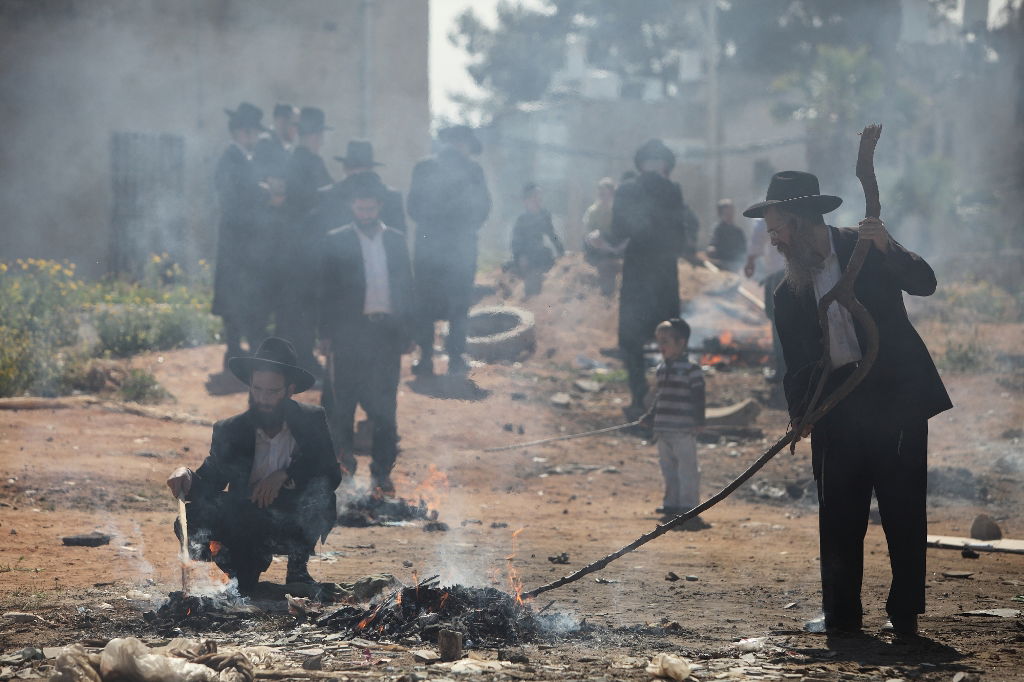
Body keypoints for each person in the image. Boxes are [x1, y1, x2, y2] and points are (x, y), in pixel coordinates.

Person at [743, 170, 952, 637]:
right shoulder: (785, 289)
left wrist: (890, 247)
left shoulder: (865, 249)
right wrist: (800, 416)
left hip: (897, 400)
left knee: (903, 512)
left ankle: (905, 615)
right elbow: (795, 363)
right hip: (837, 408)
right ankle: (842, 617)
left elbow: (925, 284)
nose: (773, 240)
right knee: (838, 516)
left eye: (778, 229)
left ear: (800, 220)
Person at [166, 337, 341, 595]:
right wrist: (187, 476)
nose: (263, 399)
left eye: (272, 391)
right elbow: (211, 480)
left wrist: (283, 475)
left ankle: (298, 570)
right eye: (257, 389)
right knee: (192, 521)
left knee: (321, 496)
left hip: (294, 518)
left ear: (289, 390)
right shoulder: (231, 430)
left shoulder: (311, 420)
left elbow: (329, 473)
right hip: (248, 519)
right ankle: (237, 566)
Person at [318, 173, 415, 496]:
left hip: (385, 335)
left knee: (385, 409)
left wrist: (409, 332)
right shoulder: (336, 240)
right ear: (352, 208)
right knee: (342, 407)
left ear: (380, 207)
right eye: (360, 208)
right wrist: (325, 334)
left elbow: (407, 289)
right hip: (349, 335)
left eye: (371, 208)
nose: (366, 213)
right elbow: (326, 293)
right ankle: (345, 473)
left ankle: (381, 474)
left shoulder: (397, 240)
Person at [610, 139, 699, 418]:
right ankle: (672, 397)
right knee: (670, 334)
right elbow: (681, 237)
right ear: (664, 165)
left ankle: (639, 399)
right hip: (664, 272)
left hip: (637, 272)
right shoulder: (673, 190)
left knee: (631, 339)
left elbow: (617, 231)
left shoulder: (626, 189)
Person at [407, 124, 492, 377]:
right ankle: (455, 359)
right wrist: (463, 229)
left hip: (428, 248)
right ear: (464, 144)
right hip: (460, 249)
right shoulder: (473, 170)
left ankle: (425, 359)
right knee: (459, 304)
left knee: (425, 302)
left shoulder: (423, 167)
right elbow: (484, 209)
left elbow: (412, 209)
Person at [211, 102, 273, 370]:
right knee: (235, 299)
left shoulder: (244, 159)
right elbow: (233, 195)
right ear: (236, 132)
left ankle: (241, 351)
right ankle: (234, 352)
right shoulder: (230, 159)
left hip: (247, 241)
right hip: (237, 241)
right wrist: (262, 192)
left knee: (246, 298)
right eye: (248, 132)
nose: (253, 137)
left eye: (255, 132)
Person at [278, 107, 333, 376]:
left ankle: (302, 357)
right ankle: (300, 360)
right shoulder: (298, 161)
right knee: (300, 307)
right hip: (299, 247)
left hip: (311, 245)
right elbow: (299, 201)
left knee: (308, 305)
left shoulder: (312, 160)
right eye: (318, 134)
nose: (320, 139)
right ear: (311, 135)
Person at [641, 318, 709, 530]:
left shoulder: (692, 370)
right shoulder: (661, 369)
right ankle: (671, 504)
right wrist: (650, 416)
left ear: (682, 343)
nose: (661, 346)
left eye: (666, 341)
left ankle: (689, 508)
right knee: (668, 467)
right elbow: (659, 397)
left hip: (683, 429)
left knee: (687, 469)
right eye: (658, 341)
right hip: (663, 428)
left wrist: (699, 421)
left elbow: (699, 398)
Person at [318, 140, 407, 236]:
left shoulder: (391, 196)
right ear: (345, 168)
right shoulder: (328, 195)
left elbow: (398, 236)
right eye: (354, 168)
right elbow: (320, 234)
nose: (358, 174)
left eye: (362, 168)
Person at [744, 217, 787, 381]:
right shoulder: (799, 212)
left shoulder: (766, 219)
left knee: (777, 322)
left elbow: (756, 242)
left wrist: (750, 262)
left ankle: (782, 370)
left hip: (777, 276)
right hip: (800, 273)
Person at [509, 182, 564, 298]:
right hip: (525, 254)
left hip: (539, 252)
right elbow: (516, 242)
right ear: (526, 201)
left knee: (547, 254)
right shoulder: (522, 219)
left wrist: (561, 251)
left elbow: (551, 234)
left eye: (539, 198)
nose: (538, 201)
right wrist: (521, 256)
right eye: (534, 198)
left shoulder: (544, 215)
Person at [582, 177, 624, 296]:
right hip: (597, 248)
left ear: (612, 194)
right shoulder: (593, 211)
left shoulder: (617, 211)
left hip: (615, 245)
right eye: (601, 193)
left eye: (606, 194)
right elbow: (587, 233)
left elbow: (624, 231)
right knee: (596, 236)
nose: (603, 197)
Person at [253, 103, 298, 185]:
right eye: (295, 124)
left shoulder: (285, 148)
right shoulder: (265, 145)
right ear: (281, 122)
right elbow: (260, 179)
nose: (297, 130)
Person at [706, 199, 747, 272]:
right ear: (721, 213)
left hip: (736, 265)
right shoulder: (718, 229)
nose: (730, 215)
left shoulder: (738, 231)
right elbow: (713, 243)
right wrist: (712, 248)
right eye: (727, 213)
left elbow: (744, 250)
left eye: (731, 212)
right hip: (722, 264)